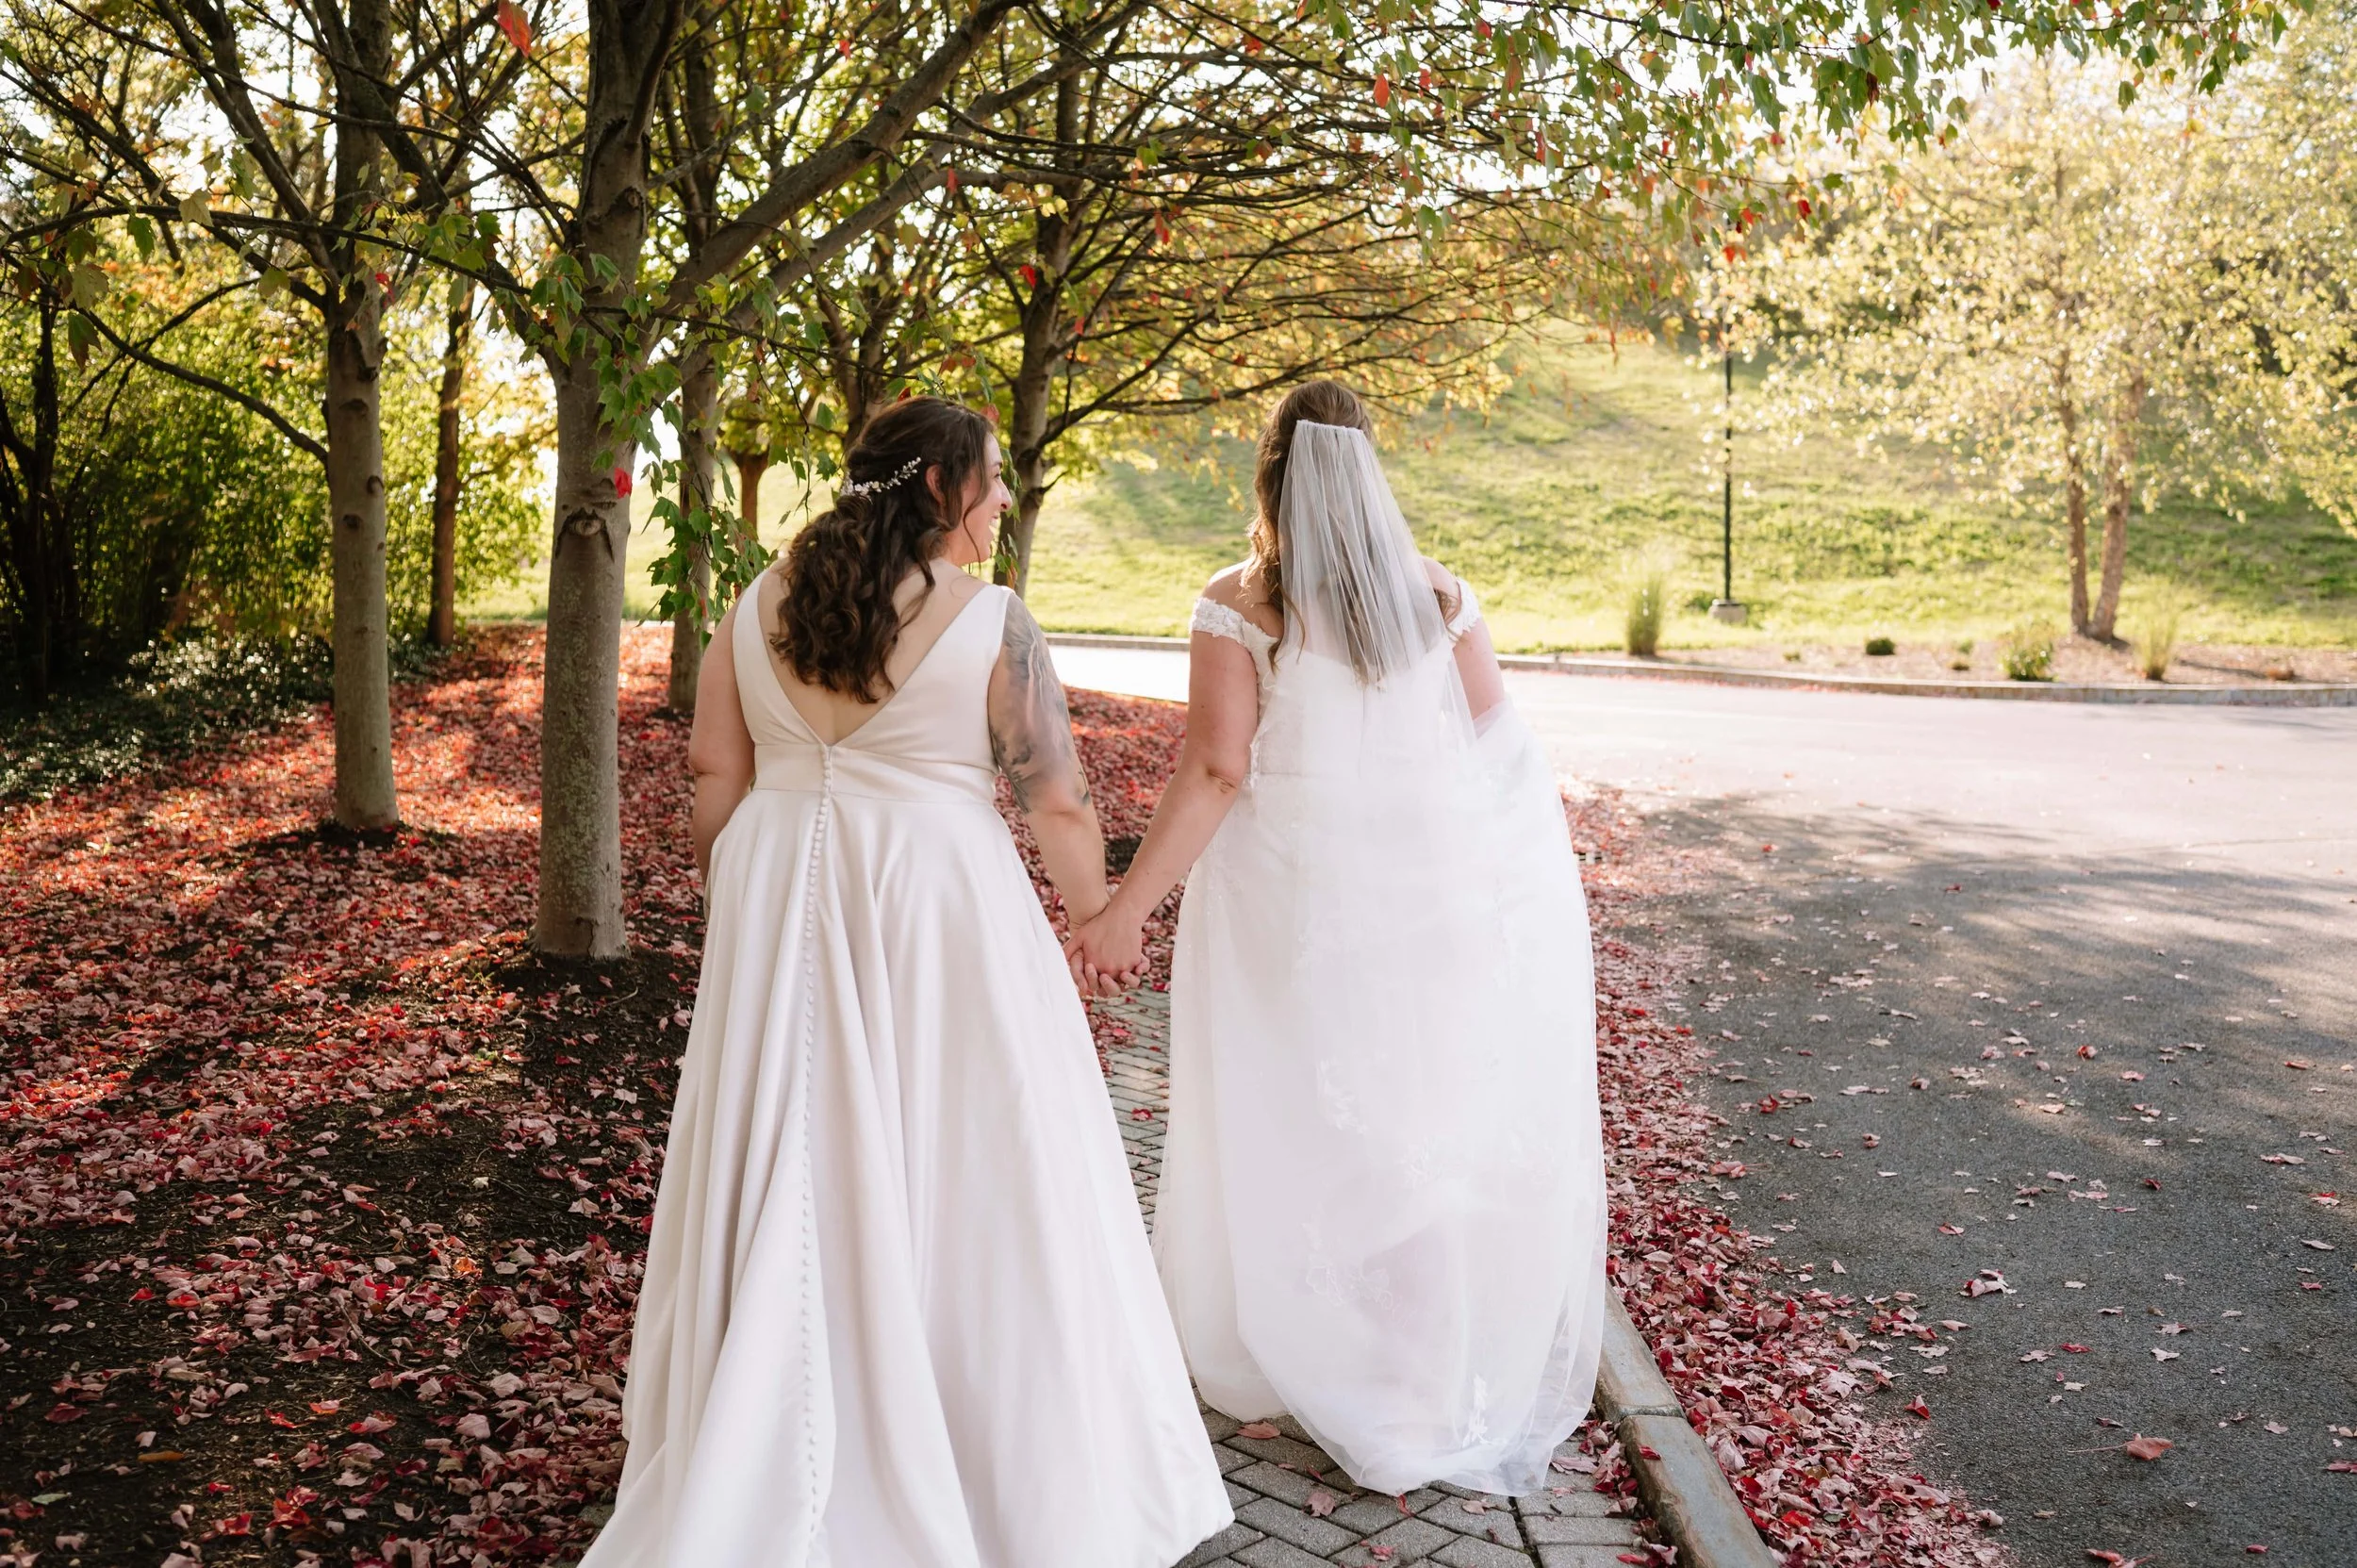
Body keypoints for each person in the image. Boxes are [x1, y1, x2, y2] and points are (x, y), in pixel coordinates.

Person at [580, 397, 1231, 1568]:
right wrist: (1097, 917)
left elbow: (711, 771)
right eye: (988, 481)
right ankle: (970, 1453)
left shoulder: (754, 606)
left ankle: (765, 1430)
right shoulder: (993, 622)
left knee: (789, 1140)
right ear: (936, 484)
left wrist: (749, 907)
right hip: (935, 904)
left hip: (782, 881)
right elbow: (1057, 796)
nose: (1000, 504)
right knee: (964, 1151)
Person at [1066, 380, 1607, 1497]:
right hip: (1429, 906)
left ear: (1267, 476)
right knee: (1411, 1127)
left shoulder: (1241, 604)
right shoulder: (1441, 596)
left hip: (1290, 912)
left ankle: (1316, 1362)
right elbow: (1496, 749)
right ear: (1368, 472)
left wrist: (1127, 909)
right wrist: (1499, 891)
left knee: (1300, 1120)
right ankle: (1408, 1375)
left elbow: (1217, 771)